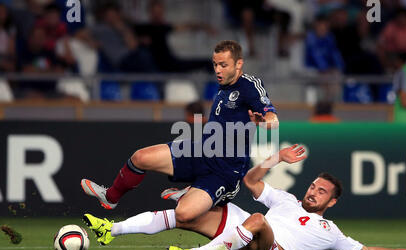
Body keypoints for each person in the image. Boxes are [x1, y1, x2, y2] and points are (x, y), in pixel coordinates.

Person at [82, 145, 406, 250]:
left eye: (321, 192)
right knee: (183, 215)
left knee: (257, 219)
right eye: (313, 186)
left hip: (269, 247)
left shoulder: (329, 230)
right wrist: (276, 159)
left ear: (332, 201)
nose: (313, 192)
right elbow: (251, 181)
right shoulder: (285, 199)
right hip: (243, 229)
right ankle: (111, 229)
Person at [81, 40, 279, 231]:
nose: (218, 70)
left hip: (226, 171)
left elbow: (272, 117)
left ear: (239, 64)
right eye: (215, 64)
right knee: (140, 158)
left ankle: (192, 193)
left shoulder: (250, 85)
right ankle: (111, 197)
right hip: (203, 152)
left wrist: (266, 122)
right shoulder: (224, 84)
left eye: (223, 65)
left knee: (183, 214)